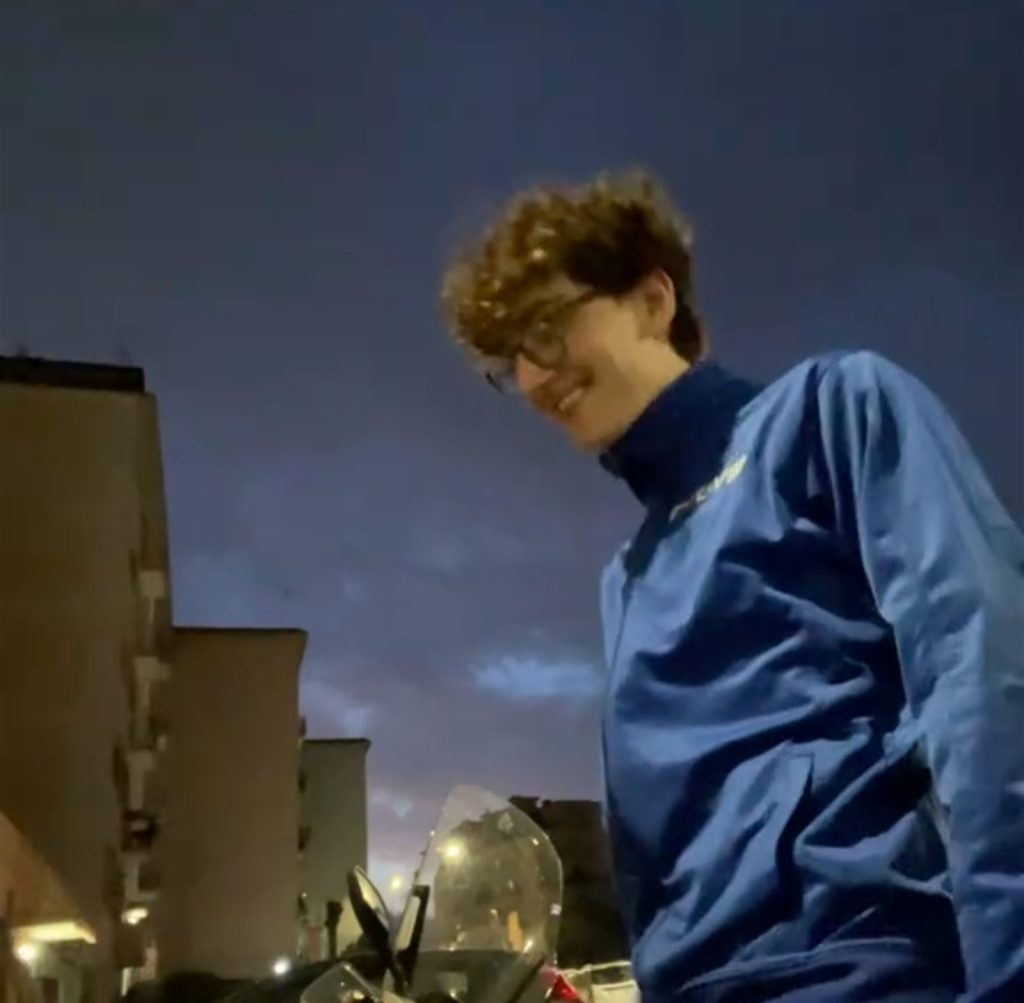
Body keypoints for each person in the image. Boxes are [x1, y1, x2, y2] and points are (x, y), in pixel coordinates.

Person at [439, 171, 1024, 1003]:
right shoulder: (626, 579)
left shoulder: (831, 411)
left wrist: (1009, 967)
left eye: (544, 329)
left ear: (652, 299)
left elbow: (981, 671)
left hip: (863, 971)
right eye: (511, 362)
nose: (534, 377)